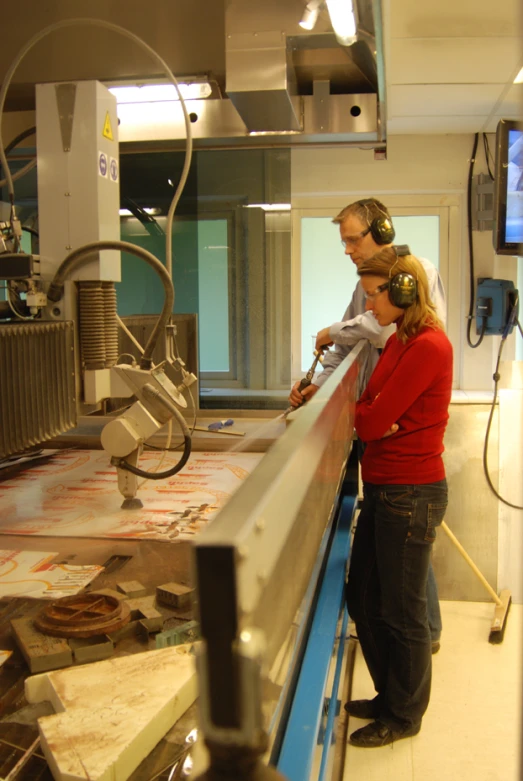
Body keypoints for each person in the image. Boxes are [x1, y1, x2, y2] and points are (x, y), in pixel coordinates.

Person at [288, 198, 446, 652]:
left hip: (404, 445)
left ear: (382, 228)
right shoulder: (366, 288)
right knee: (398, 551)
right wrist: (315, 384)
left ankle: (423, 637)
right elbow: (351, 348)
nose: (347, 250)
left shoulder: (413, 278)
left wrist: (335, 331)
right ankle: (411, 636)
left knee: (406, 551)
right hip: (379, 440)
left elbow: (379, 334)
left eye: (352, 239)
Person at [345, 247, 452, 747]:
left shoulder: (429, 346)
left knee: (404, 612)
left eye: (374, 297)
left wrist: (379, 419)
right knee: (363, 598)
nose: (369, 309)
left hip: (411, 494)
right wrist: (381, 419)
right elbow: (369, 412)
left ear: (403, 292)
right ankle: (389, 694)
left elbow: (366, 419)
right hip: (385, 486)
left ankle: (404, 716)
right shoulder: (396, 343)